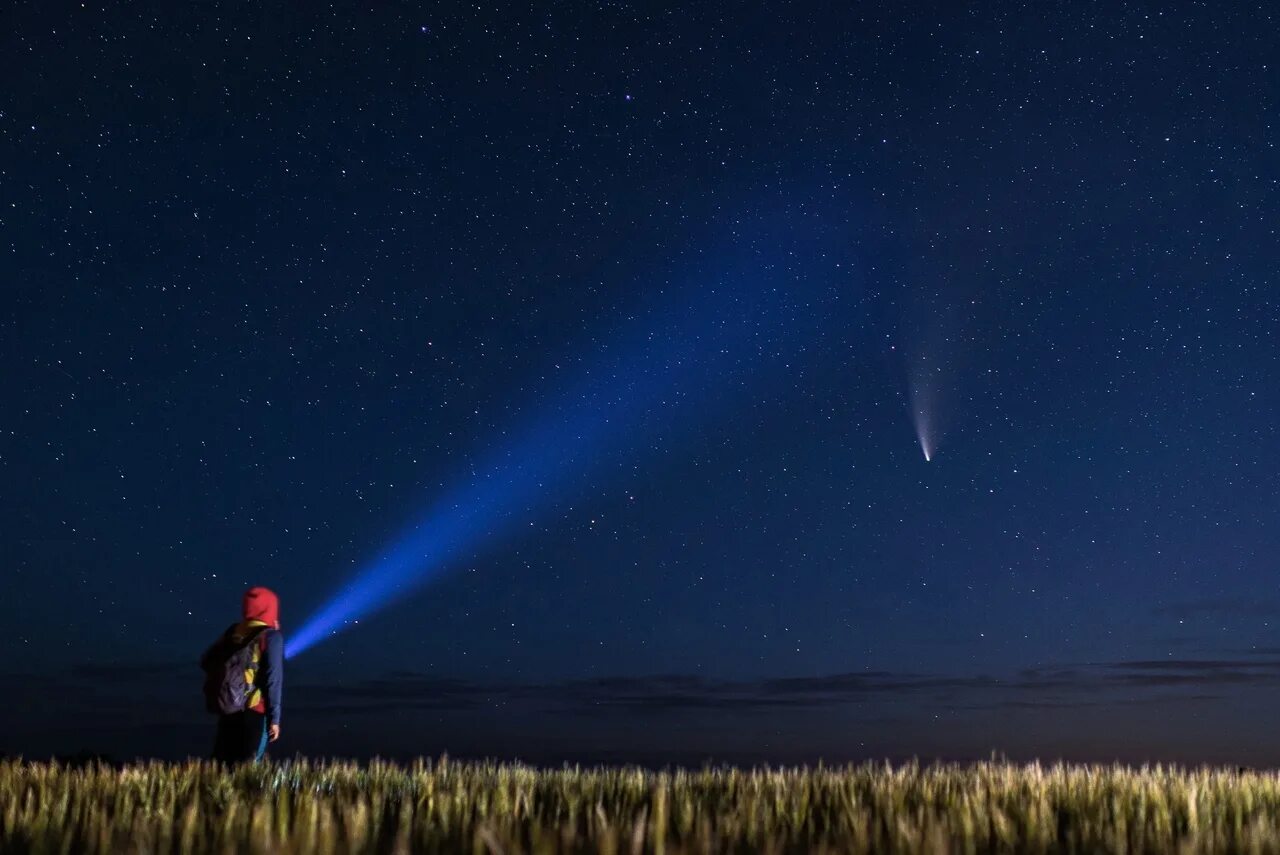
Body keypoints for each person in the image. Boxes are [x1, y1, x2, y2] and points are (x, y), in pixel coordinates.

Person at [200, 586, 284, 763]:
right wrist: (274, 719)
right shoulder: (270, 637)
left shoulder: (232, 632)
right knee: (248, 770)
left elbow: (206, 661)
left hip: (229, 706)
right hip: (254, 709)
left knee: (222, 766)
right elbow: (273, 680)